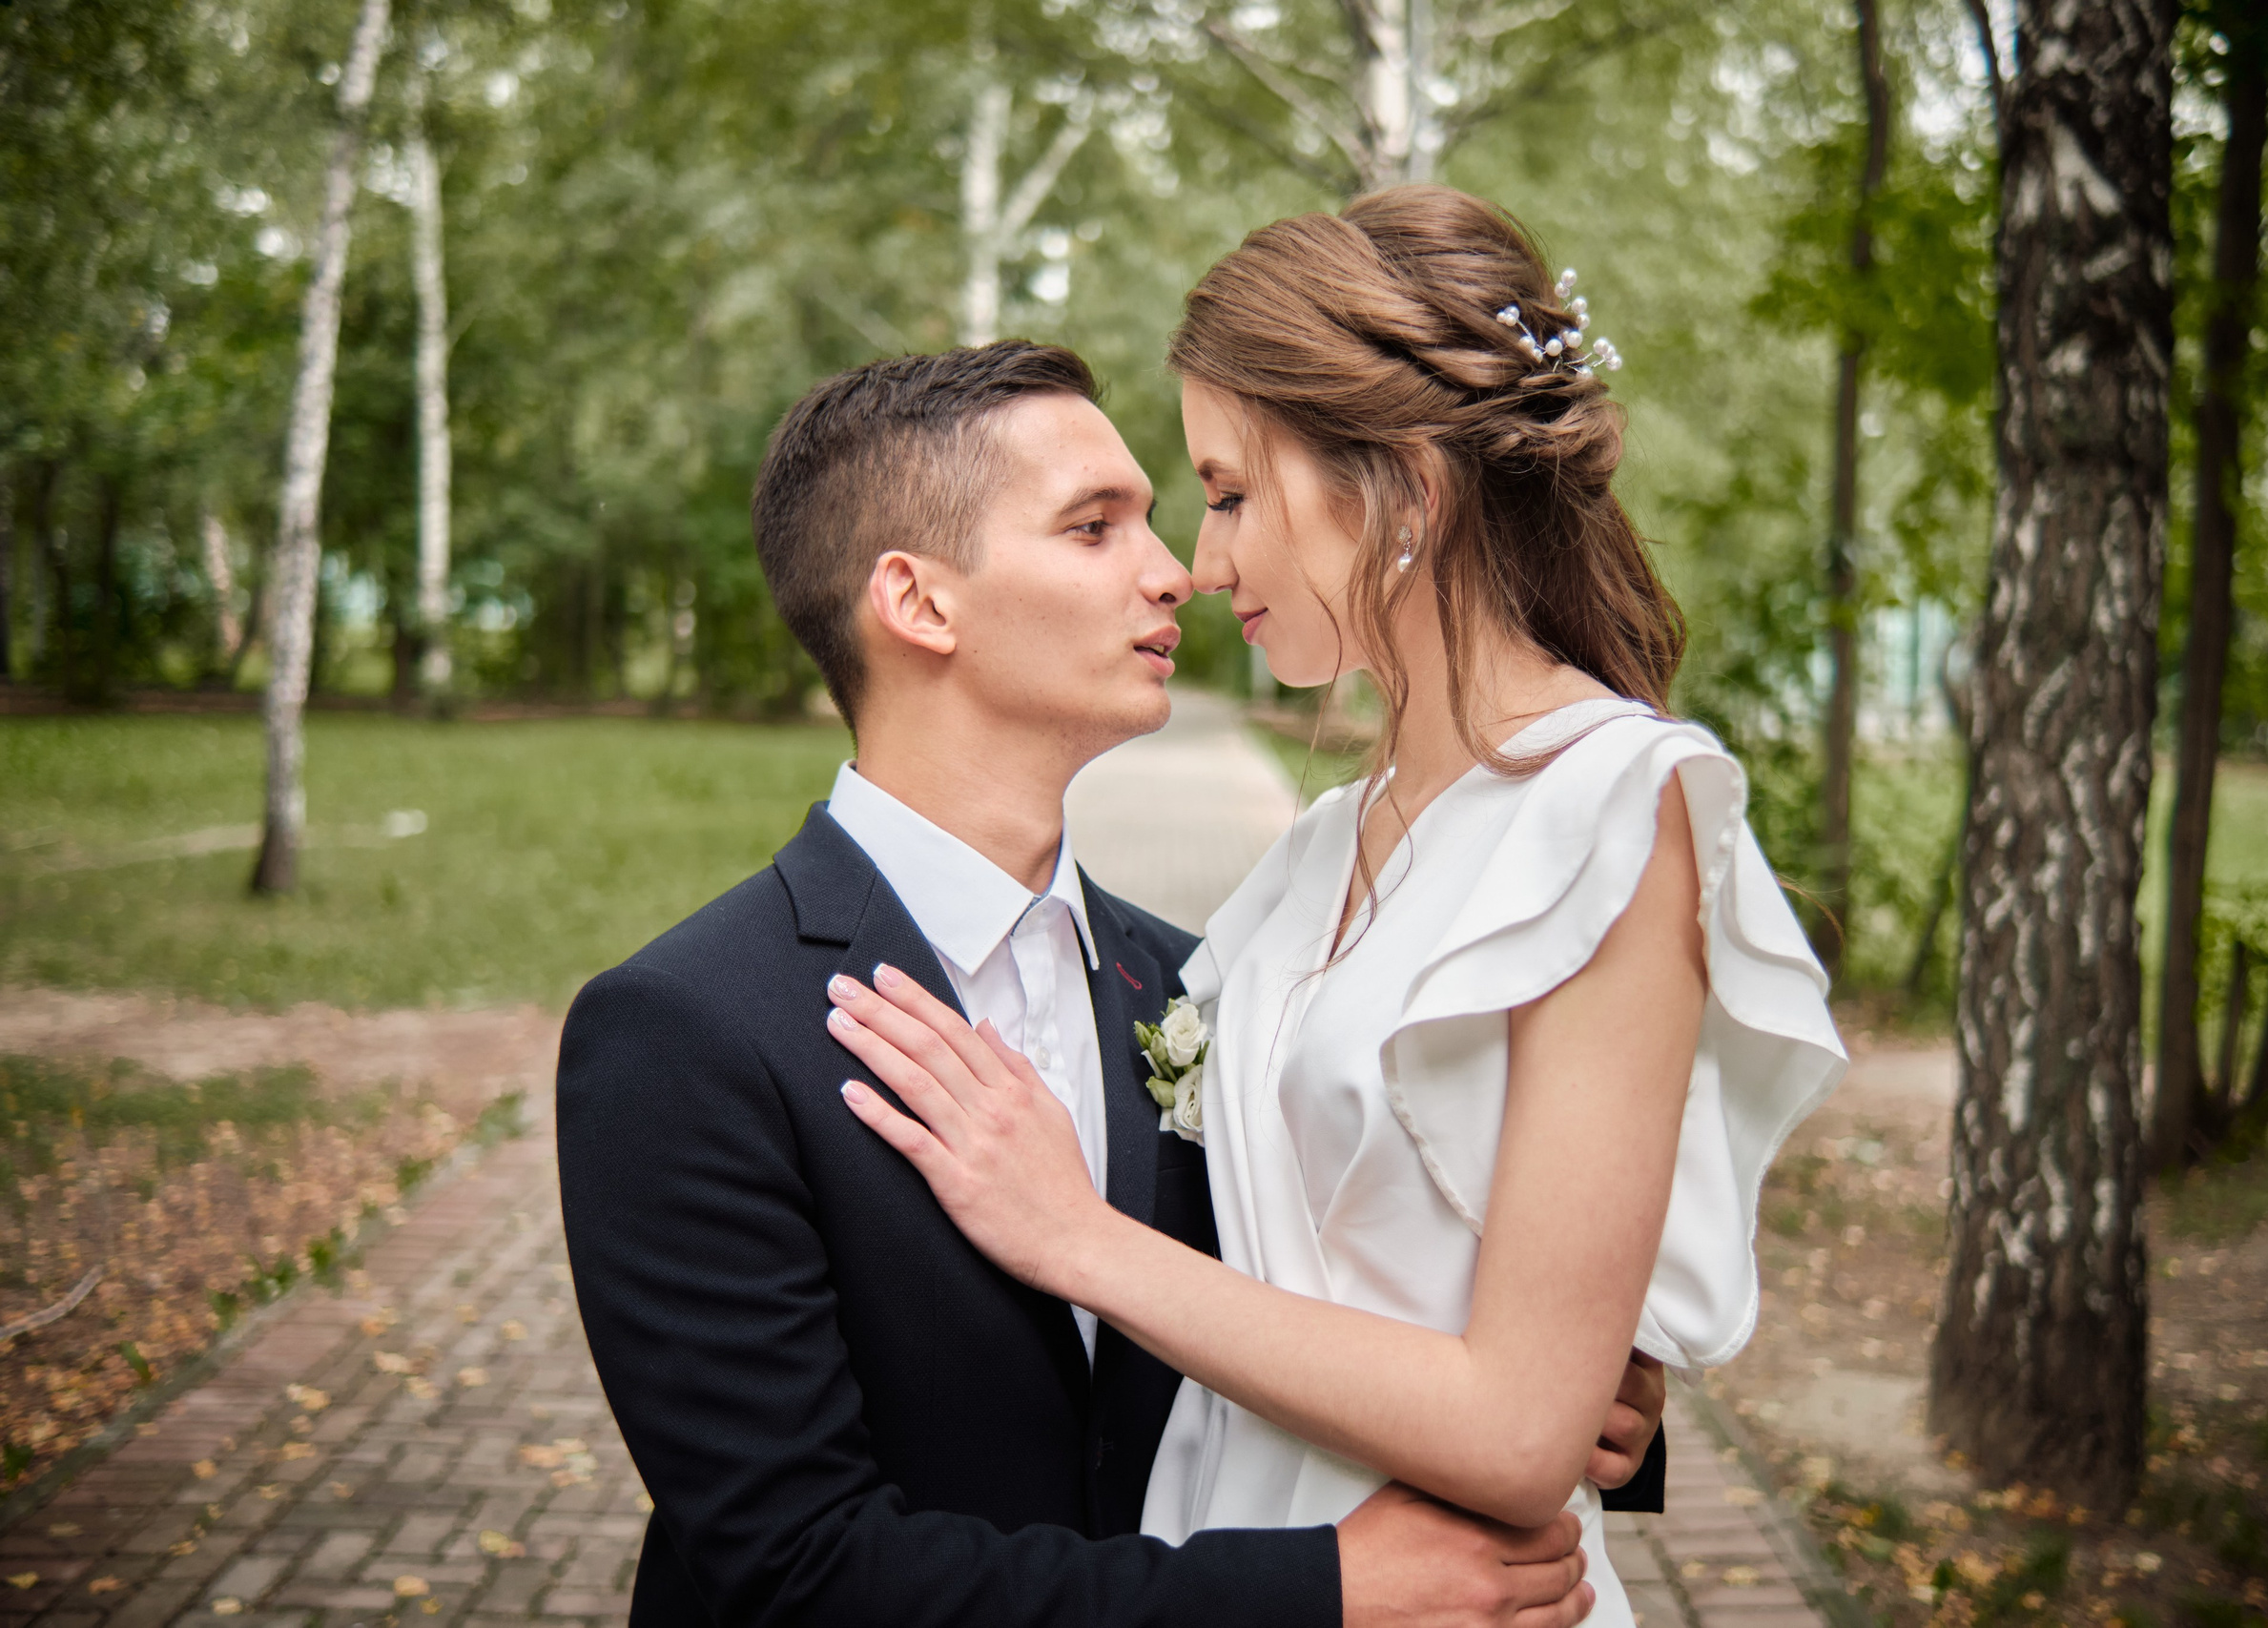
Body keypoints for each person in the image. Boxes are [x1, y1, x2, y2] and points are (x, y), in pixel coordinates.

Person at [823, 185, 1850, 1627]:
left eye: (1233, 489)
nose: (1201, 556)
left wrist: (1080, 1242)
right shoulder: (1316, 852)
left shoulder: (1619, 810)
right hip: (1232, 1567)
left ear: (1406, 490)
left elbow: (1514, 1432)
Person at [556, 338, 1666, 1628]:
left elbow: (1342, 1314)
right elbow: (801, 1579)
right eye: (1095, 528)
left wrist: (1583, 1408)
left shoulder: (1201, 985)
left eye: (1160, 518)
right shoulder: (684, 1034)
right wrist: (1324, 1589)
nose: (1178, 569)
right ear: (920, 603)